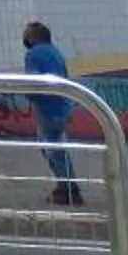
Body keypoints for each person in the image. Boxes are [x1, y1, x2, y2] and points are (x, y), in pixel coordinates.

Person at [23, 21, 86, 206]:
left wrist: (30, 96)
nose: (24, 38)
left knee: (53, 149)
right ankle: (65, 186)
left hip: (47, 108)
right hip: (62, 106)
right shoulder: (55, 52)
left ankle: (69, 189)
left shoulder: (33, 54)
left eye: (26, 35)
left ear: (33, 38)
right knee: (53, 147)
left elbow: (33, 82)